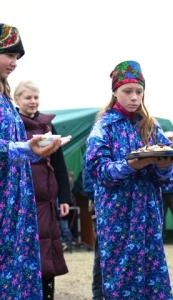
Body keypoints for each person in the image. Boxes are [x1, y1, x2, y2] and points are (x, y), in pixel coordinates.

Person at [84, 60, 173, 299]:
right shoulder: (104, 126)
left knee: (152, 269)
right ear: (115, 91)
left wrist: (164, 167)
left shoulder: (150, 126)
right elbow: (97, 171)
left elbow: (168, 177)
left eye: (139, 91)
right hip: (117, 215)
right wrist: (130, 165)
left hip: (147, 212)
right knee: (121, 272)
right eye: (128, 91)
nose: (134, 97)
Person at [0, 23, 62, 299]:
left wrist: (32, 148)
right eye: (9, 55)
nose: (14, 63)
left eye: (17, 57)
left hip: (16, 201)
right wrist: (24, 149)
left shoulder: (3, 97)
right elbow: (12, 146)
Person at [13, 80, 73, 299]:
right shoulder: (14, 124)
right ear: (16, 100)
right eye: (28, 97)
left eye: (36, 97)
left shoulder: (48, 126)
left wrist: (64, 197)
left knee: (48, 249)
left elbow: (59, 164)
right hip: (23, 201)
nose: (33, 101)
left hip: (47, 202)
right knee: (28, 251)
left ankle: (48, 294)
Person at [82, 164, 104, 300]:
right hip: (100, 208)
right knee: (101, 255)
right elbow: (88, 183)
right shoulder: (95, 143)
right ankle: (98, 295)